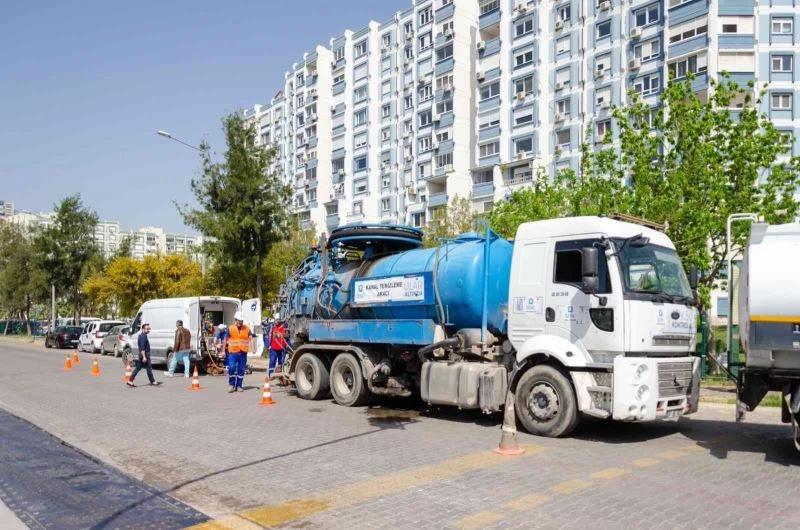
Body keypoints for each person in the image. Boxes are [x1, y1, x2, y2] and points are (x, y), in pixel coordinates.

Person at [226, 312, 253, 393]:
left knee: (241, 370)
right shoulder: (230, 328)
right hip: (233, 352)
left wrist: (253, 346)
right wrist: (223, 349)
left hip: (243, 353)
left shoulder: (247, 328)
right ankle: (231, 385)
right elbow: (225, 339)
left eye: (241, 320)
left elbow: (250, 337)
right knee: (232, 368)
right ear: (235, 320)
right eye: (239, 320)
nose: (240, 322)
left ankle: (239, 386)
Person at [128, 323, 160, 387]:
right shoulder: (143, 336)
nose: (148, 330)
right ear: (143, 329)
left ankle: (130, 380)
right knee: (149, 368)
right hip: (145, 354)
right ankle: (153, 381)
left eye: (149, 329)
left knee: (138, 368)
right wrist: (144, 357)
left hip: (143, 354)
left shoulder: (142, 335)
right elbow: (142, 348)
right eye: (147, 329)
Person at [268, 314, 288, 378]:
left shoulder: (284, 327)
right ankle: (271, 375)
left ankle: (280, 376)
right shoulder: (272, 327)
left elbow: (288, 336)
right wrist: (268, 345)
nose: (276, 321)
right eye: (275, 320)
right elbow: (267, 336)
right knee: (272, 361)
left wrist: (281, 335)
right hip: (273, 348)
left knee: (281, 362)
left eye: (277, 320)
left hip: (282, 348)